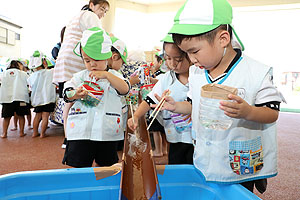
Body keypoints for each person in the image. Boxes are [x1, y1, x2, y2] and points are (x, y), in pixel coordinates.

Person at [157, 0, 284, 194]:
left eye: (194, 52)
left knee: (237, 193)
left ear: (223, 39)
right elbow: (193, 105)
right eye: (187, 53)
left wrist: (248, 111)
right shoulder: (197, 73)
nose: (192, 60)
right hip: (206, 158)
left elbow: (272, 113)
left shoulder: (257, 73)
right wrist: (176, 106)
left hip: (241, 162)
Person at [62, 27, 130, 168]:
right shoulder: (80, 76)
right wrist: (75, 94)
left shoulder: (114, 76)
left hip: (106, 132)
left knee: (107, 166)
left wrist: (107, 75)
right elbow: (67, 92)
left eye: (96, 59)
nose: (92, 64)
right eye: (87, 60)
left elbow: (125, 89)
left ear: (108, 56)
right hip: (81, 132)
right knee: (78, 166)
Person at [128, 34, 194, 164]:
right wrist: (136, 116)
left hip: (196, 138)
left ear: (191, 56)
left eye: (178, 59)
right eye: (168, 58)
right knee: (176, 167)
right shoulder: (166, 79)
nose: (172, 63)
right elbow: (150, 100)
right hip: (175, 137)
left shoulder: (199, 76)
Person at [53, 0, 110, 149]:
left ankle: (68, 137)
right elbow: (99, 35)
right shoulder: (90, 16)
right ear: (92, 4)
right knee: (79, 97)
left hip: (64, 61)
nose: (103, 13)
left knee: (69, 101)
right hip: (76, 59)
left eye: (105, 11)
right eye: (102, 8)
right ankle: (78, 135)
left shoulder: (75, 17)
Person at [28, 51, 56, 138]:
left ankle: (34, 133)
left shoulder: (31, 76)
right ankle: (43, 134)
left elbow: (30, 88)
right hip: (48, 98)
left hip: (37, 99)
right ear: (43, 62)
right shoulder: (50, 72)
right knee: (45, 117)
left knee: (37, 116)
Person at [0, 60, 30, 138]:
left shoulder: (3, 73)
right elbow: (29, 83)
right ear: (18, 65)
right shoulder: (23, 74)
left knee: (6, 117)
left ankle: (4, 133)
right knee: (21, 116)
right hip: (20, 97)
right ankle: (21, 132)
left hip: (7, 98)